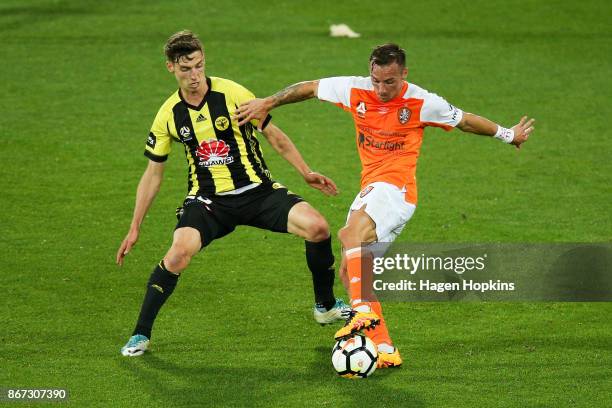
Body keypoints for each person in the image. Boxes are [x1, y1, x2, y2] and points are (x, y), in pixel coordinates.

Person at [234, 43, 535, 368]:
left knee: (349, 235)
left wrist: (508, 134)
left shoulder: (423, 102)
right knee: (353, 272)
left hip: (396, 189)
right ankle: (385, 347)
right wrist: (268, 101)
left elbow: (464, 120)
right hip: (374, 189)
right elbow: (309, 88)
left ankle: (362, 312)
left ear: (404, 74)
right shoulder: (355, 89)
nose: (380, 88)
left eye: (389, 82)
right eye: (376, 80)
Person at [116, 30, 351, 357]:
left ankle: (325, 307)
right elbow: (153, 174)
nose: (195, 76)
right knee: (177, 255)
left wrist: (305, 171)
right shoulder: (169, 114)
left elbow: (273, 134)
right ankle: (141, 333)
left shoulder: (233, 93)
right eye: (186, 69)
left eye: (199, 66)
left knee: (318, 227)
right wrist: (135, 226)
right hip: (209, 202)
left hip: (259, 193)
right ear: (171, 68)